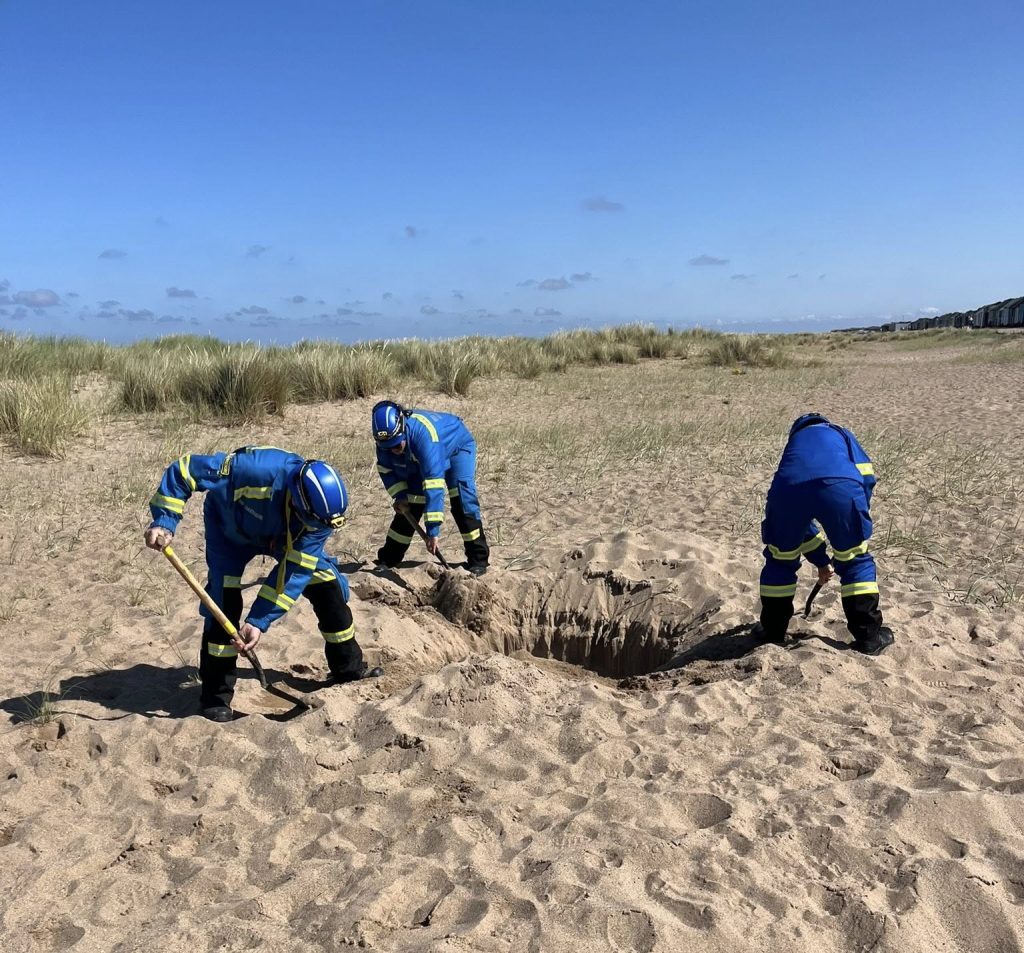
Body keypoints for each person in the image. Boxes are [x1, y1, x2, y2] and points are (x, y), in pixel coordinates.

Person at [144, 446, 380, 722]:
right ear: (299, 500)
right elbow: (185, 470)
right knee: (223, 603)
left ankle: (348, 668)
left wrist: (257, 621)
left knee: (326, 586)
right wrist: (164, 521)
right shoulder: (253, 470)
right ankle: (215, 698)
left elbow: (294, 571)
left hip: (283, 538)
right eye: (313, 522)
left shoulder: (320, 521)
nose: (317, 529)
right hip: (228, 530)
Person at [757, 413, 894, 655]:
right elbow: (866, 476)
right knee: (854, 559)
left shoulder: (794, 444)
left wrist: (820, 559)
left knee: (780, 560)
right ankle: (869, 637)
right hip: (842, 488)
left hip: (787, 491)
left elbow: (800, 524)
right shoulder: (840, 433)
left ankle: (772, 633)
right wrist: (855, 519)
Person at [371, 400, 489, 575]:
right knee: (410, 505)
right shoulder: (385, 442)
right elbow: (386, 471)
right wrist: (400, 496)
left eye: (397, 445)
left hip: (457, 448)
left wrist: (433, 531)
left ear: (403, 430)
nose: (393, 450)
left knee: (462, 501)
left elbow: (434, 485)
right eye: (387, 447)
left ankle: (478, 559)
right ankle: (389, 559)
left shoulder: (425, 437)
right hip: (420, 456)